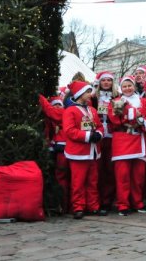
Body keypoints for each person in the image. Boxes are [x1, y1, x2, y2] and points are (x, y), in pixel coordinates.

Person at [107, 75, 146, 216]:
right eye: (125, 86)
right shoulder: (116, 102)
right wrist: (134, 115)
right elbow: (114, 119)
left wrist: (138, 118)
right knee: (123, 176)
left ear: (134, 86)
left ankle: (137, 202)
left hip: (138, 141)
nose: (127, 88)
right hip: (122, 141)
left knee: (138, 177)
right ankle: (123, 204)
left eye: (130, 85)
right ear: (121, 88)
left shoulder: (143, 101)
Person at [62, 80, 104, 219]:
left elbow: (99, 126)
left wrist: (99, 134)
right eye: (87, 92)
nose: (90, 95)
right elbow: (69, 131)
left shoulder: (92, 110)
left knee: (93, 181)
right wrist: (87, 136)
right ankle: (78, 207)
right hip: (78, 153)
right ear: (80, 94)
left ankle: (93, 206)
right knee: (78, 182)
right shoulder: (70, 111)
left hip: (92, 151)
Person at [91, 71, 119, 215]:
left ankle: (107, 200)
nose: (106, 83)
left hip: (112, 136)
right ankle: (97, 200)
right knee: (98, 169)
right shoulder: (94, 98)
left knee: (109, 169)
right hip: (98, 135)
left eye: (109, 80)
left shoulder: (117, 97)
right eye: (104, 80)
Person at [38, 94, 70, 213]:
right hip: (54, 149)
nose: (57, 107)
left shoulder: (61, 114)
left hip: (62, 150)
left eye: (59, 105)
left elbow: (49, 109)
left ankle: (64, 205)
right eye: (55, 105)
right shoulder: (48, 120)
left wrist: (40, 96)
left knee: (62, 176)